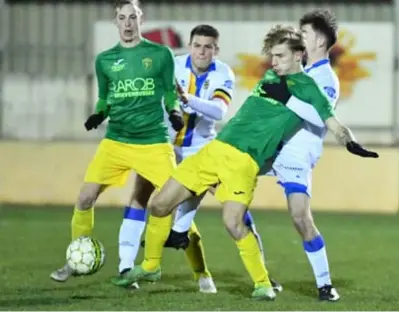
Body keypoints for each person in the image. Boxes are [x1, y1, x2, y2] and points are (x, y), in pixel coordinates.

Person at [115, 24, 378, 299]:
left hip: (244, 162)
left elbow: (331, 122)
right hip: (215, 149)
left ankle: (263, 284)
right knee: (158, 205)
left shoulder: (310, 89)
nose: (273, 62)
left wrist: (350, 142)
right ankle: (151, 266)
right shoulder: (271, 75)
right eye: (272, 56)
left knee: (233, 224)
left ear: (299, 54)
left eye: (280, 56)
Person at [114, 24, 281, 293]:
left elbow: (218, 111)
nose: (202, 52)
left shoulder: (223, 72)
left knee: (237, 213)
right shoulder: (172, 66)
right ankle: (128, 267)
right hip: (164, 147)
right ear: (190, 46)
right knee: (144, 198)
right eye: (197, 46)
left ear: (216, 50)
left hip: (204, 150)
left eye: (208, 47)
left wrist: (186, 98)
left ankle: (261, 276)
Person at [49, 0, 184, 282]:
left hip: (153, 141)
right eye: (122, 18)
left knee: (173, 199)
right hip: (116, 141)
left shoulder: (160, 54)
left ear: (141, 20)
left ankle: (153, 265)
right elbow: (105, 97)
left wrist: (173, 112)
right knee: (85, 197)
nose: (127, 23)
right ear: (116, 22)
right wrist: (99, 114)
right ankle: (75, 259)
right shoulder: (105, 60)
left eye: (132, 17)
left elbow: (170, 91)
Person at [259, 9, 342, 301]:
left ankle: (325, 284)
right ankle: (261, 275)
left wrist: (286, 97)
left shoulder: (325, 77)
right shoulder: (298, 72)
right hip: (273, 148)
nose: (299, 38)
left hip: (297, 155)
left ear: (319, 39)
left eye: (303, 33)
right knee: (228, 183)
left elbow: (321, 118)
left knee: (300, 218)